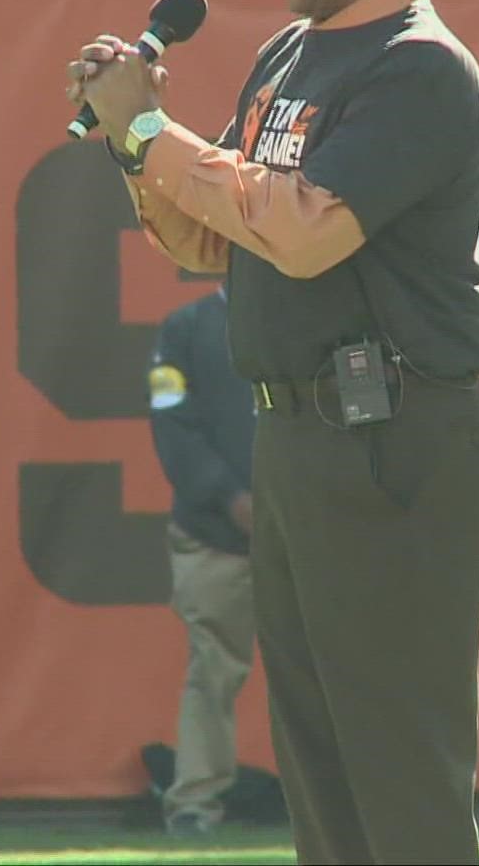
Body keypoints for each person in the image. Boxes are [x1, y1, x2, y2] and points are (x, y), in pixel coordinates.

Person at [67, 0, 479, 864]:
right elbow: (216, 238)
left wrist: (148, 136)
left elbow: (305, 231)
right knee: (316, 749)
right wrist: (141, 148)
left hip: (393, 428)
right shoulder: (287, 53)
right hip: (299, 434)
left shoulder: (422, 67)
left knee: (397, 748)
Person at [148, 285, 257, 837]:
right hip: (214, 536)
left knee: (330, 678)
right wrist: (228, 496)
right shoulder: (186, 328)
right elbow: (173, 425)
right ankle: (194, 805)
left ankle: (347, 804)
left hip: (314, 537)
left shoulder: (319, 320)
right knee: (212, 672)